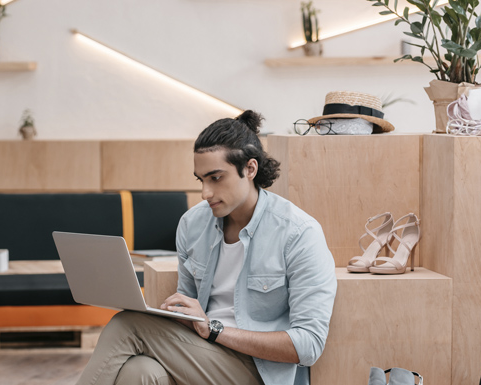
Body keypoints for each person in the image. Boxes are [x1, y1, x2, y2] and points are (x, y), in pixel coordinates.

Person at [76, 110, 336, 385]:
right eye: (201, 180)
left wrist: (213, 329)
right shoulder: (193, 224)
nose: (205, 193)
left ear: (250, 169)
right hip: (204, 353)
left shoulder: (298, 232)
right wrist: (174, 314)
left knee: (125, 325)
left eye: (215, 178)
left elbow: (308, 346)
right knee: (140, 371)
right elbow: (187, 307)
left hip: (261, 370)